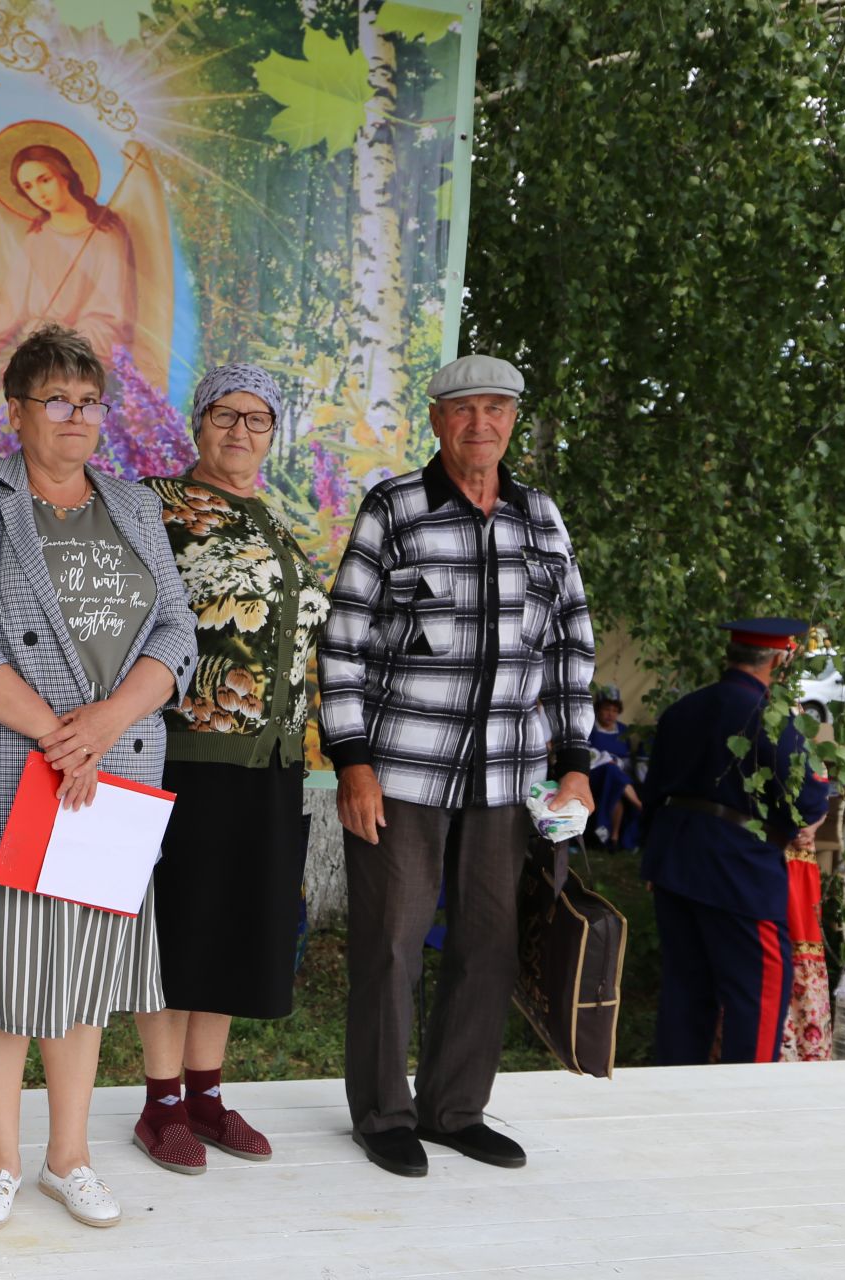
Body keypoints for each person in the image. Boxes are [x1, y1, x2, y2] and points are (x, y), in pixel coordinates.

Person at [0, 324, 198, 1230]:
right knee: (0, 968)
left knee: (81, 975)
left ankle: (66, 1157)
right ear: (18, 410)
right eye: (57, 400)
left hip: (108, 774)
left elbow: (177, 636)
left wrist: (106, 726)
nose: (76, 418)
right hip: (10, 767)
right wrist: (55, 733)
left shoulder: (134, 506)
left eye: (89, 402)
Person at [318, 353, 596, 1178]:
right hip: (403, 772)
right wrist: (352, 762)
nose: (482, 425)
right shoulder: (394, 508)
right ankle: (382, 1114)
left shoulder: (541, 517)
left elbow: (571, 644)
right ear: (435, 420)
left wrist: (576, 762)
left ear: (514, 420)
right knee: (391, 946)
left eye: (498, 410)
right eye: (464, 409)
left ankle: (454, 1110)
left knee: (489, 947)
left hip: (508, 779)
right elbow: (342, 643)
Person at [131, 363, 328, 1174]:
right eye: (225, 414)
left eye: (258, 420)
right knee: (184, 929)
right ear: (197, 422)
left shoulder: (276, 523)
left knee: (239, 929)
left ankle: (207, 1093)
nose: (241, 431)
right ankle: (161, 1102)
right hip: (191, 753)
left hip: (273, 760)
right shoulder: (155, 507)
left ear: (274, 435)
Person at [640, 618, 830, 1066]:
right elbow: (806, 796)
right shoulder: (770, 715)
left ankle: (675, 1100)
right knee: (757, 1000)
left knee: (685, 995)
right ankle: (750, 1109)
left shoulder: (683, 708)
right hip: (739, 868)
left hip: (674, 860)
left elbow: (653, 792)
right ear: (779, 660)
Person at [0, 144, 134, 369]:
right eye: (28, 186)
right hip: (29, 344)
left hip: (77, 355)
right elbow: (10, 302)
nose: (39, 192)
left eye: (45, 180)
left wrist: (64, 350)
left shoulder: (106, 236)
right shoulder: (38, 236)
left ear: (64, 176)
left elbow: (108, 317)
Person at [588, 685, 643, 849]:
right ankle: (638, 804)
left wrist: (616, 762)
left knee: (615, 783)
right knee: (610, 770)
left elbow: (627, 762)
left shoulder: (623, 730)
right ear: (598, 709)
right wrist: (605, 760)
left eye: (614, 710)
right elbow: (585, 756)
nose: (610, 714)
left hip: (616, 777)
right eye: (606, 709)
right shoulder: (589, 728)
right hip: (594, 777)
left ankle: (614, 837)